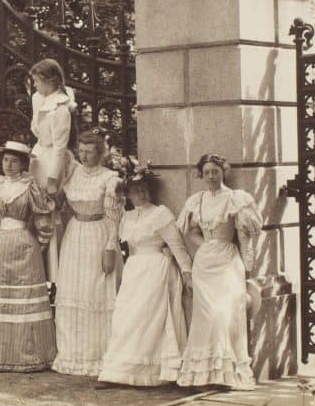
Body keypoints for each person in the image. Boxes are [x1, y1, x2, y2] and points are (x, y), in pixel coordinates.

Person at [97, 160, 192, 387]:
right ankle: (119, 371)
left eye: (143, 189)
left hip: (156, 269)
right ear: (128, 195)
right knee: (126, 317)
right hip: (135, 270)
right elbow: (128, 248)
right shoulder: (127, 217)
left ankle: (152, 371)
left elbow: (177, 246)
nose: (140, 194)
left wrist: (187, 272)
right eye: (135, 190)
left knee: (148, 317)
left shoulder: (160, 214)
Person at [176, 153, 262, 390]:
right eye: (207, 173)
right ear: (201, 175)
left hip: (228, 261)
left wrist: (247, 266)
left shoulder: (236, 199)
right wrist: (206, 245)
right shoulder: (197, 200)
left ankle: (227, 374)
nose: (211, 176)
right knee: (204, 318)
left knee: (223, 315)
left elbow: (246, 235)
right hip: (204, 263)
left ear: (224, 171)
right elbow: (190, 231)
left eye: (215, 171)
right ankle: (203, 376)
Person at [0, 140, 57, 372]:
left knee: (24, 299)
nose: (8, 165)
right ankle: (0, 355)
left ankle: (28, 356)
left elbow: (43, 219)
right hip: (0, 245)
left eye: (14, 161)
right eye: (6, 160)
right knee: (0, 299)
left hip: (24, 244)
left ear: (23, 164)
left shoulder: (31, 187)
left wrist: (40, 243)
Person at [52, 129, 123, 376]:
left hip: (98, 235)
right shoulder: (72, 173)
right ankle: (72, 354)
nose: (84, 156)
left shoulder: (110, 178)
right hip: (74, 236)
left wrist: (110, 248)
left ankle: (98, 354)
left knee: (96, 290)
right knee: (73, 290)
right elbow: (57, 201)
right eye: (81, 151)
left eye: (89, 152)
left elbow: (115, 218)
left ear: (100, 153)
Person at [28, 58, 77, 283]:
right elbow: (36, 130)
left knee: (50, 212)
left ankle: (55, 273)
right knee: (35, 211)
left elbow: (60, 147)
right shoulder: (39, 99)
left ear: (52, 81)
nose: (35, 85)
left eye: (38, 81)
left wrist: (52, 179)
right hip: (38, 158)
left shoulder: (61, 108)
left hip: (52, 163)